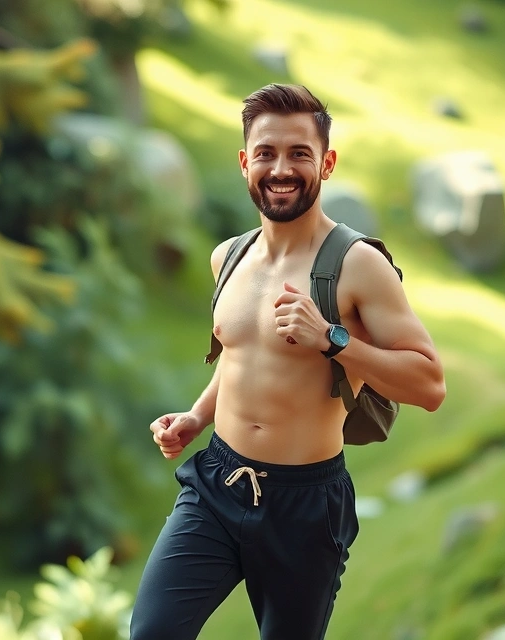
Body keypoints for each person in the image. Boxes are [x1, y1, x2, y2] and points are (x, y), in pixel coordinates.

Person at [129, 83, 446, 640]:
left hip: (305, 507)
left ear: (326, 164)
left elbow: (429, 385)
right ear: (244, 162)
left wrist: (333, 339)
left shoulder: (358, 265)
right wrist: (198, 418)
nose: (282, 168)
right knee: (153, 631)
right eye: (267, 153)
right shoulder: (228, 257)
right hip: (216, 484)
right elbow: (237, 353)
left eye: (299, 153)